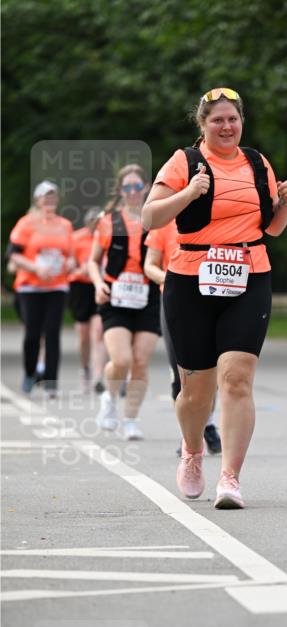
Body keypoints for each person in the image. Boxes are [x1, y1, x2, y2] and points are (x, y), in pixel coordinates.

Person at [142, 86, 287, 508]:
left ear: (241, 121)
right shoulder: (184, 162)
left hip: (249, 276)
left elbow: (273, 228)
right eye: (217, 120)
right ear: (202, 125)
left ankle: (230, 477)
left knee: (236, 378)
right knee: (196, 391)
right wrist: (189, 192)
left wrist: (286, 203)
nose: (226, 127)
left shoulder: (256, 162)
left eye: (233, 119)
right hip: (190, 279)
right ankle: (192, 450)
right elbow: (150, 216)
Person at [89, 164, 160, 440]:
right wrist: (97, 284)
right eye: (127, 187)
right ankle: (109, 397)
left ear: (146, 188)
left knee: (140, 361)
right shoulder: (108, 221)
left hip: (148, 297)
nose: (132, 192)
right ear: (120, 190)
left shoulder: (157, 219)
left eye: (137, 186)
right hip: (114, 297)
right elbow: (93, 261)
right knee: (122, 359)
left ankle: (130, 419)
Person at [143, 219, 222, 455]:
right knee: (181, 374)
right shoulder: (164, 222)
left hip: (211, 297)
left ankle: (205, 424)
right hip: (176, 300)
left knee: (212, 372)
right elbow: (150, 265)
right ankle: (188, 435)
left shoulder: (217, 217)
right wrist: (168, 278)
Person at [7, 180, 75, 397]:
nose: (49, 201)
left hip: (57, 286)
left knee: (53, 332)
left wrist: (71, 263)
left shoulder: (65, 225)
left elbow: (71, 254)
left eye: (53, 197)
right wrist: (35, 267)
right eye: (45, 197)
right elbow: (13, 254)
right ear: (37, 200)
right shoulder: (26, 224)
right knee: (32, 334)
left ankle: (51, 382)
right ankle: (29, 373)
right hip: (30, 287)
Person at [69, 207, 107, 391]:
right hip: (80, 287)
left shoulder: (106, 237)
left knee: (99, 330)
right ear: (87, 223)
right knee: (84, 335)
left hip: (99, 285)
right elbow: (67, 265)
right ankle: (85, 369)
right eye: (93, 223)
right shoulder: (76, 238)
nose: (96, 226)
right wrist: (78, 269)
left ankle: (99, 375)